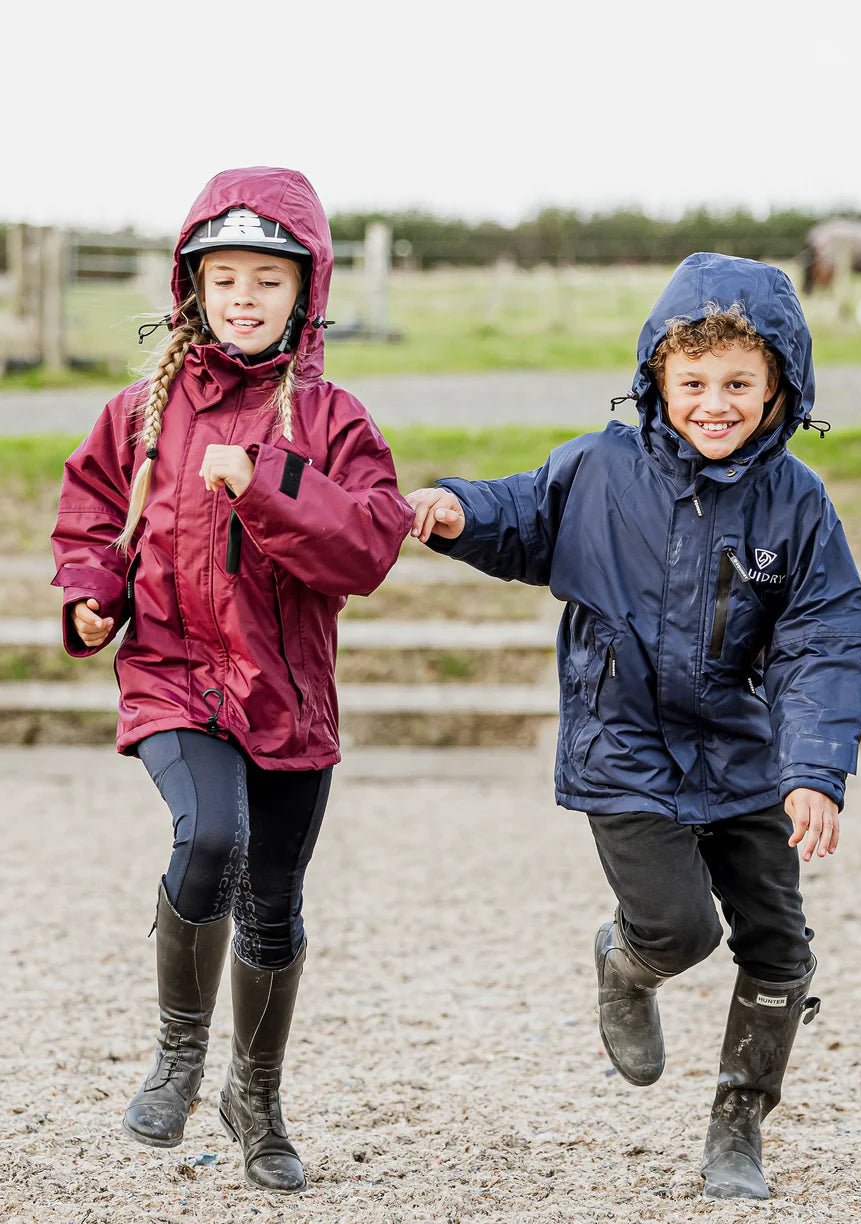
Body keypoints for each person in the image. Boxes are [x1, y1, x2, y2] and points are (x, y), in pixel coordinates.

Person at [405, 252, 861, 1201]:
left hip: (743, 753)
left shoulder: (798, 502)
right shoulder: (599, 468)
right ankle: (626, 962)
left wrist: (813, 769)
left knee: (780, 945)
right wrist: (456, 510)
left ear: (779, 386)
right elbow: (519, 514)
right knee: (680, 930)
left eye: (738, 383)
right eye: (693, 381)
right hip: (622, 745)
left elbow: (823, 641)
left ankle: (738, 1124)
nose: (714, 403)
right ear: (657, 378)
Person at [51, 167, 413, 1194]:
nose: (244, 298)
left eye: (267, 280)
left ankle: (256, 1097)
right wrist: (90, 595)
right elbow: (91, 519)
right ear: (192, 288)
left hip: (288, 697)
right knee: (211, 836)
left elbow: (366, 548)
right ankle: (178, 1055)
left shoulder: (334, 421)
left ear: (307, 291)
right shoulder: (139, 413)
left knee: (275, 907)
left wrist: (269, 486)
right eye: (224, 280)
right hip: (174, 676)